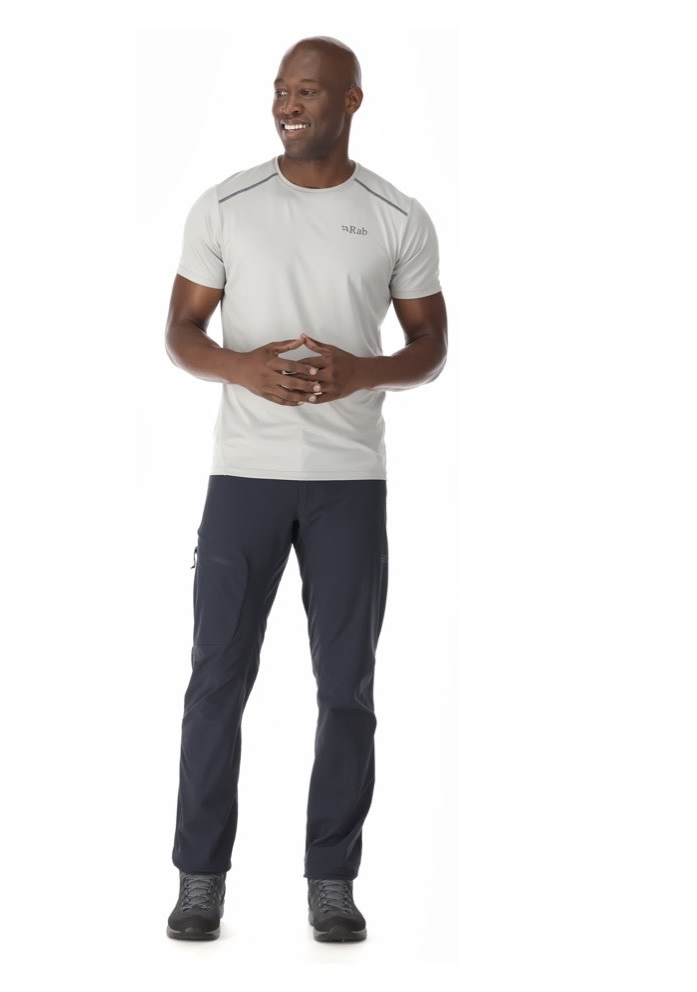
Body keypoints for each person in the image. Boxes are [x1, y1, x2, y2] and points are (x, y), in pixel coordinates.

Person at [163, 35, 448, 943]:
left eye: (310, 92)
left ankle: (332, 879)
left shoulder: (397, 215)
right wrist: (240, 366)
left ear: (351, 101)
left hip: (347, 482)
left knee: (347, 687)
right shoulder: (226, 204)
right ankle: (200, 878)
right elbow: (181, 331)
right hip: (243, 478)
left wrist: (364, 373)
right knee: (217, 679)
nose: (289, 105)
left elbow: (430, 347)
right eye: (282, 89)